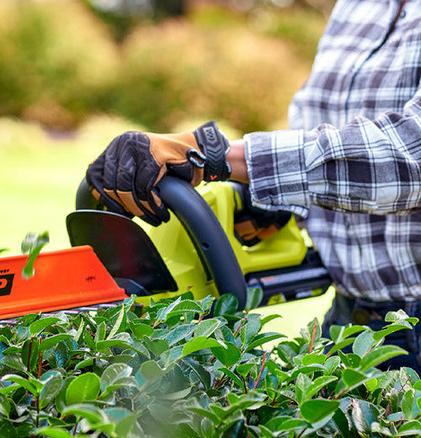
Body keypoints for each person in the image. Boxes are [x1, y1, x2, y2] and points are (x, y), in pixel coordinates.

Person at [85, 0, 421, 370]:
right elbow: (316, 119)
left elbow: (409, 155)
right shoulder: (359, 6)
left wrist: (212, 155)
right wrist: (272, 197)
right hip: (350, 318)